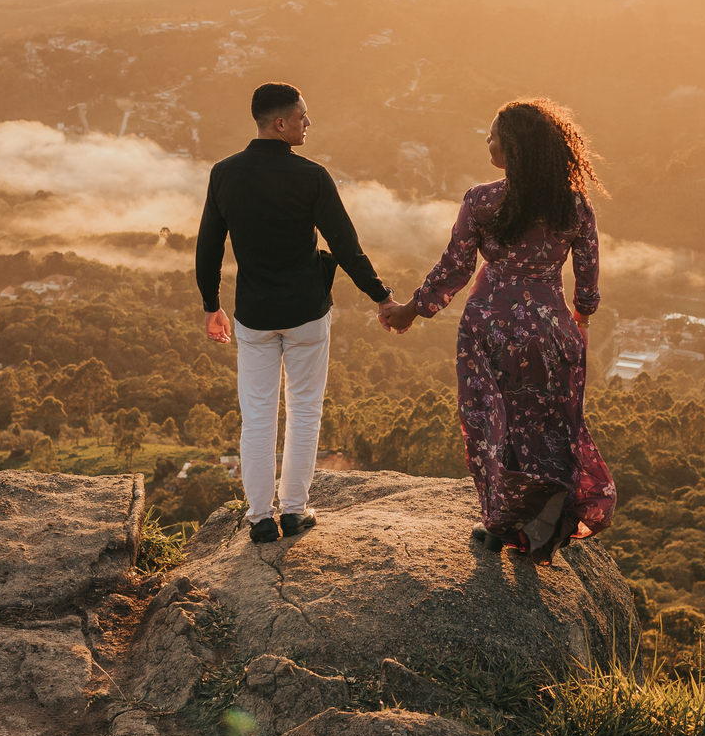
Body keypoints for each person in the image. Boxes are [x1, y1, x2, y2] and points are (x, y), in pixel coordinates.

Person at [380, 98, 615, 562]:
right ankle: (544, 510)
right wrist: (581, 318)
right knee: (548, 425)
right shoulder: (573, 204)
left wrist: (412, 309)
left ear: (514, 149)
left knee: (493, 422)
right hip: (552, 331)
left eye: (493, 136)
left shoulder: (483, 200)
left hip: (490, 328)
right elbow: (588, 274)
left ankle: (498, 523)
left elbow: (456, 265)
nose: (487, 142)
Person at [196, 82, 396, 543]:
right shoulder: (311, 176)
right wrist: (382, 297)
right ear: (280, 123)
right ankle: (294, 511)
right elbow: (346, 245)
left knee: (258, 415)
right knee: (304, 411)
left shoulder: (225, 173)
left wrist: (212, 306)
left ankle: (260, 520)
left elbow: (208, 247)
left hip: (254, 315)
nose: (309, 123)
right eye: (303, 116)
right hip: (307, 311)